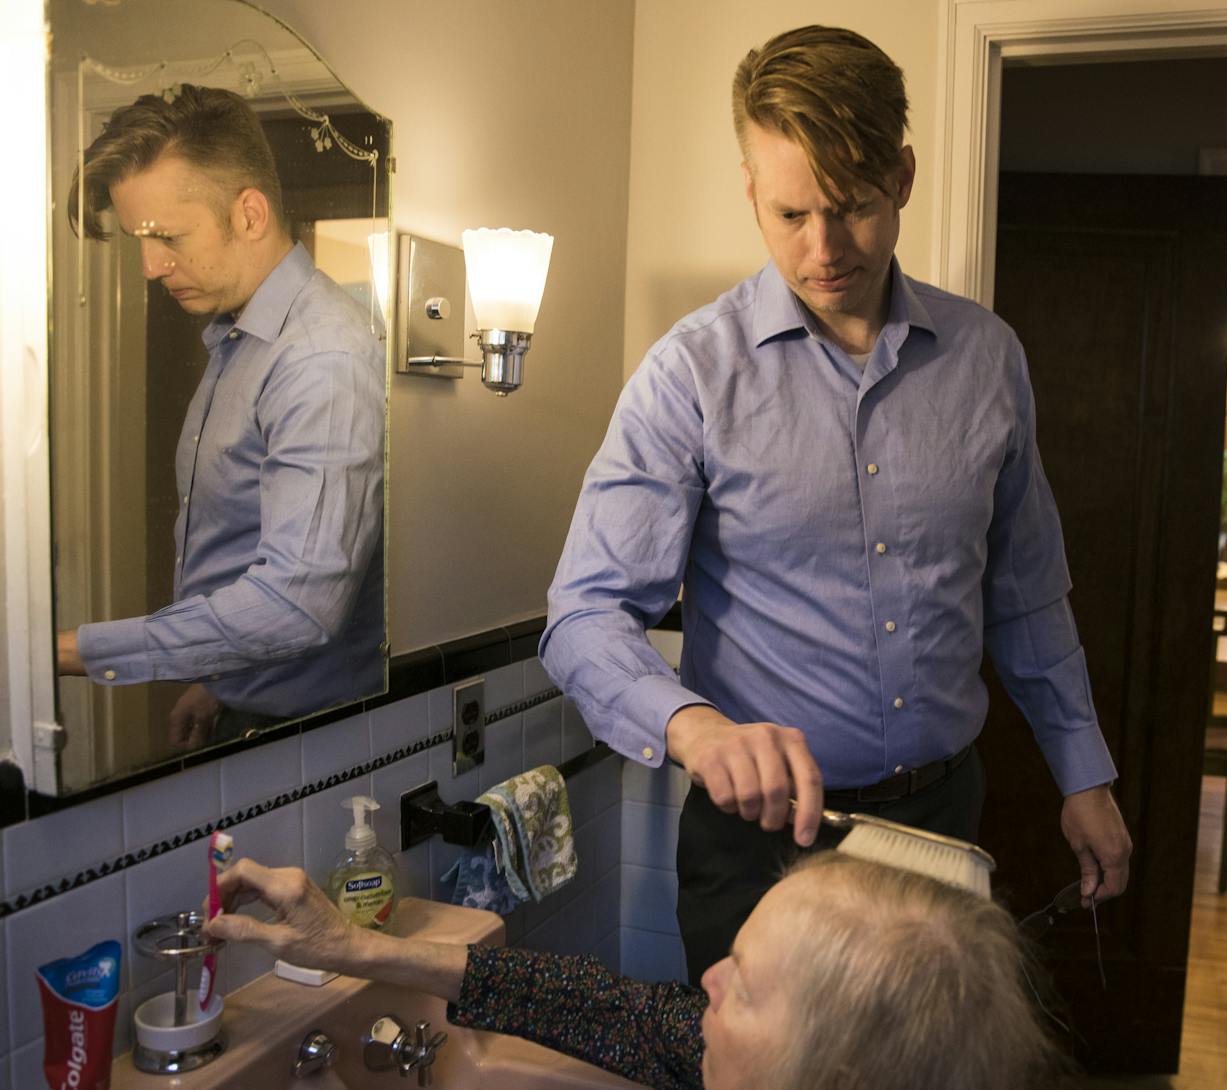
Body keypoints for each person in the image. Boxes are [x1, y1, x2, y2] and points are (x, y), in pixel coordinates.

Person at [540, 25, 1132, 980]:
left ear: (900, 177)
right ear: (749, 190)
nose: (822, 250)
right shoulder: (689, 374)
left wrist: (1084, 773)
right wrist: (695, 727)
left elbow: (1025, 594)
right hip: (761, 849)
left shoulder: (989, 360)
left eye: (851, 207)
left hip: (940, 832)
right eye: (788, 214)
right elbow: (582, 615)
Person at [55, 84, 385, 748]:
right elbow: (248, 549)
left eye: (167, 237)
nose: (150, 266)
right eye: (140, 241)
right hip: (256, 714)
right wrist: (219, 681)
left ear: (250, 213)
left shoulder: (318, 358)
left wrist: (69, 652)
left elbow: (297, 605)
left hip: (314, 741)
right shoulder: (241, 343)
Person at [207, 852, 1062, 1090]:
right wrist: (355, 950)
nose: (709, 984)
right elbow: (604, 1006)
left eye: (747, 989)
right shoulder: (729, 1058)